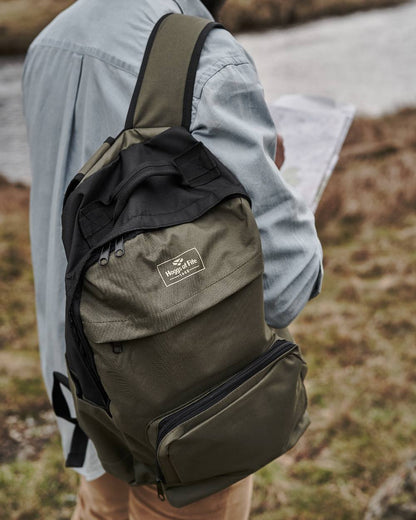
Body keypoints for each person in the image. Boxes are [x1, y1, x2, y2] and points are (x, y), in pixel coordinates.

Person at [22, 0, 323, 518]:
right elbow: (287, 283)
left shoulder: (47, 44)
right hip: (187, 412)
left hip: (80, 390)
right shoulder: (205, 55)